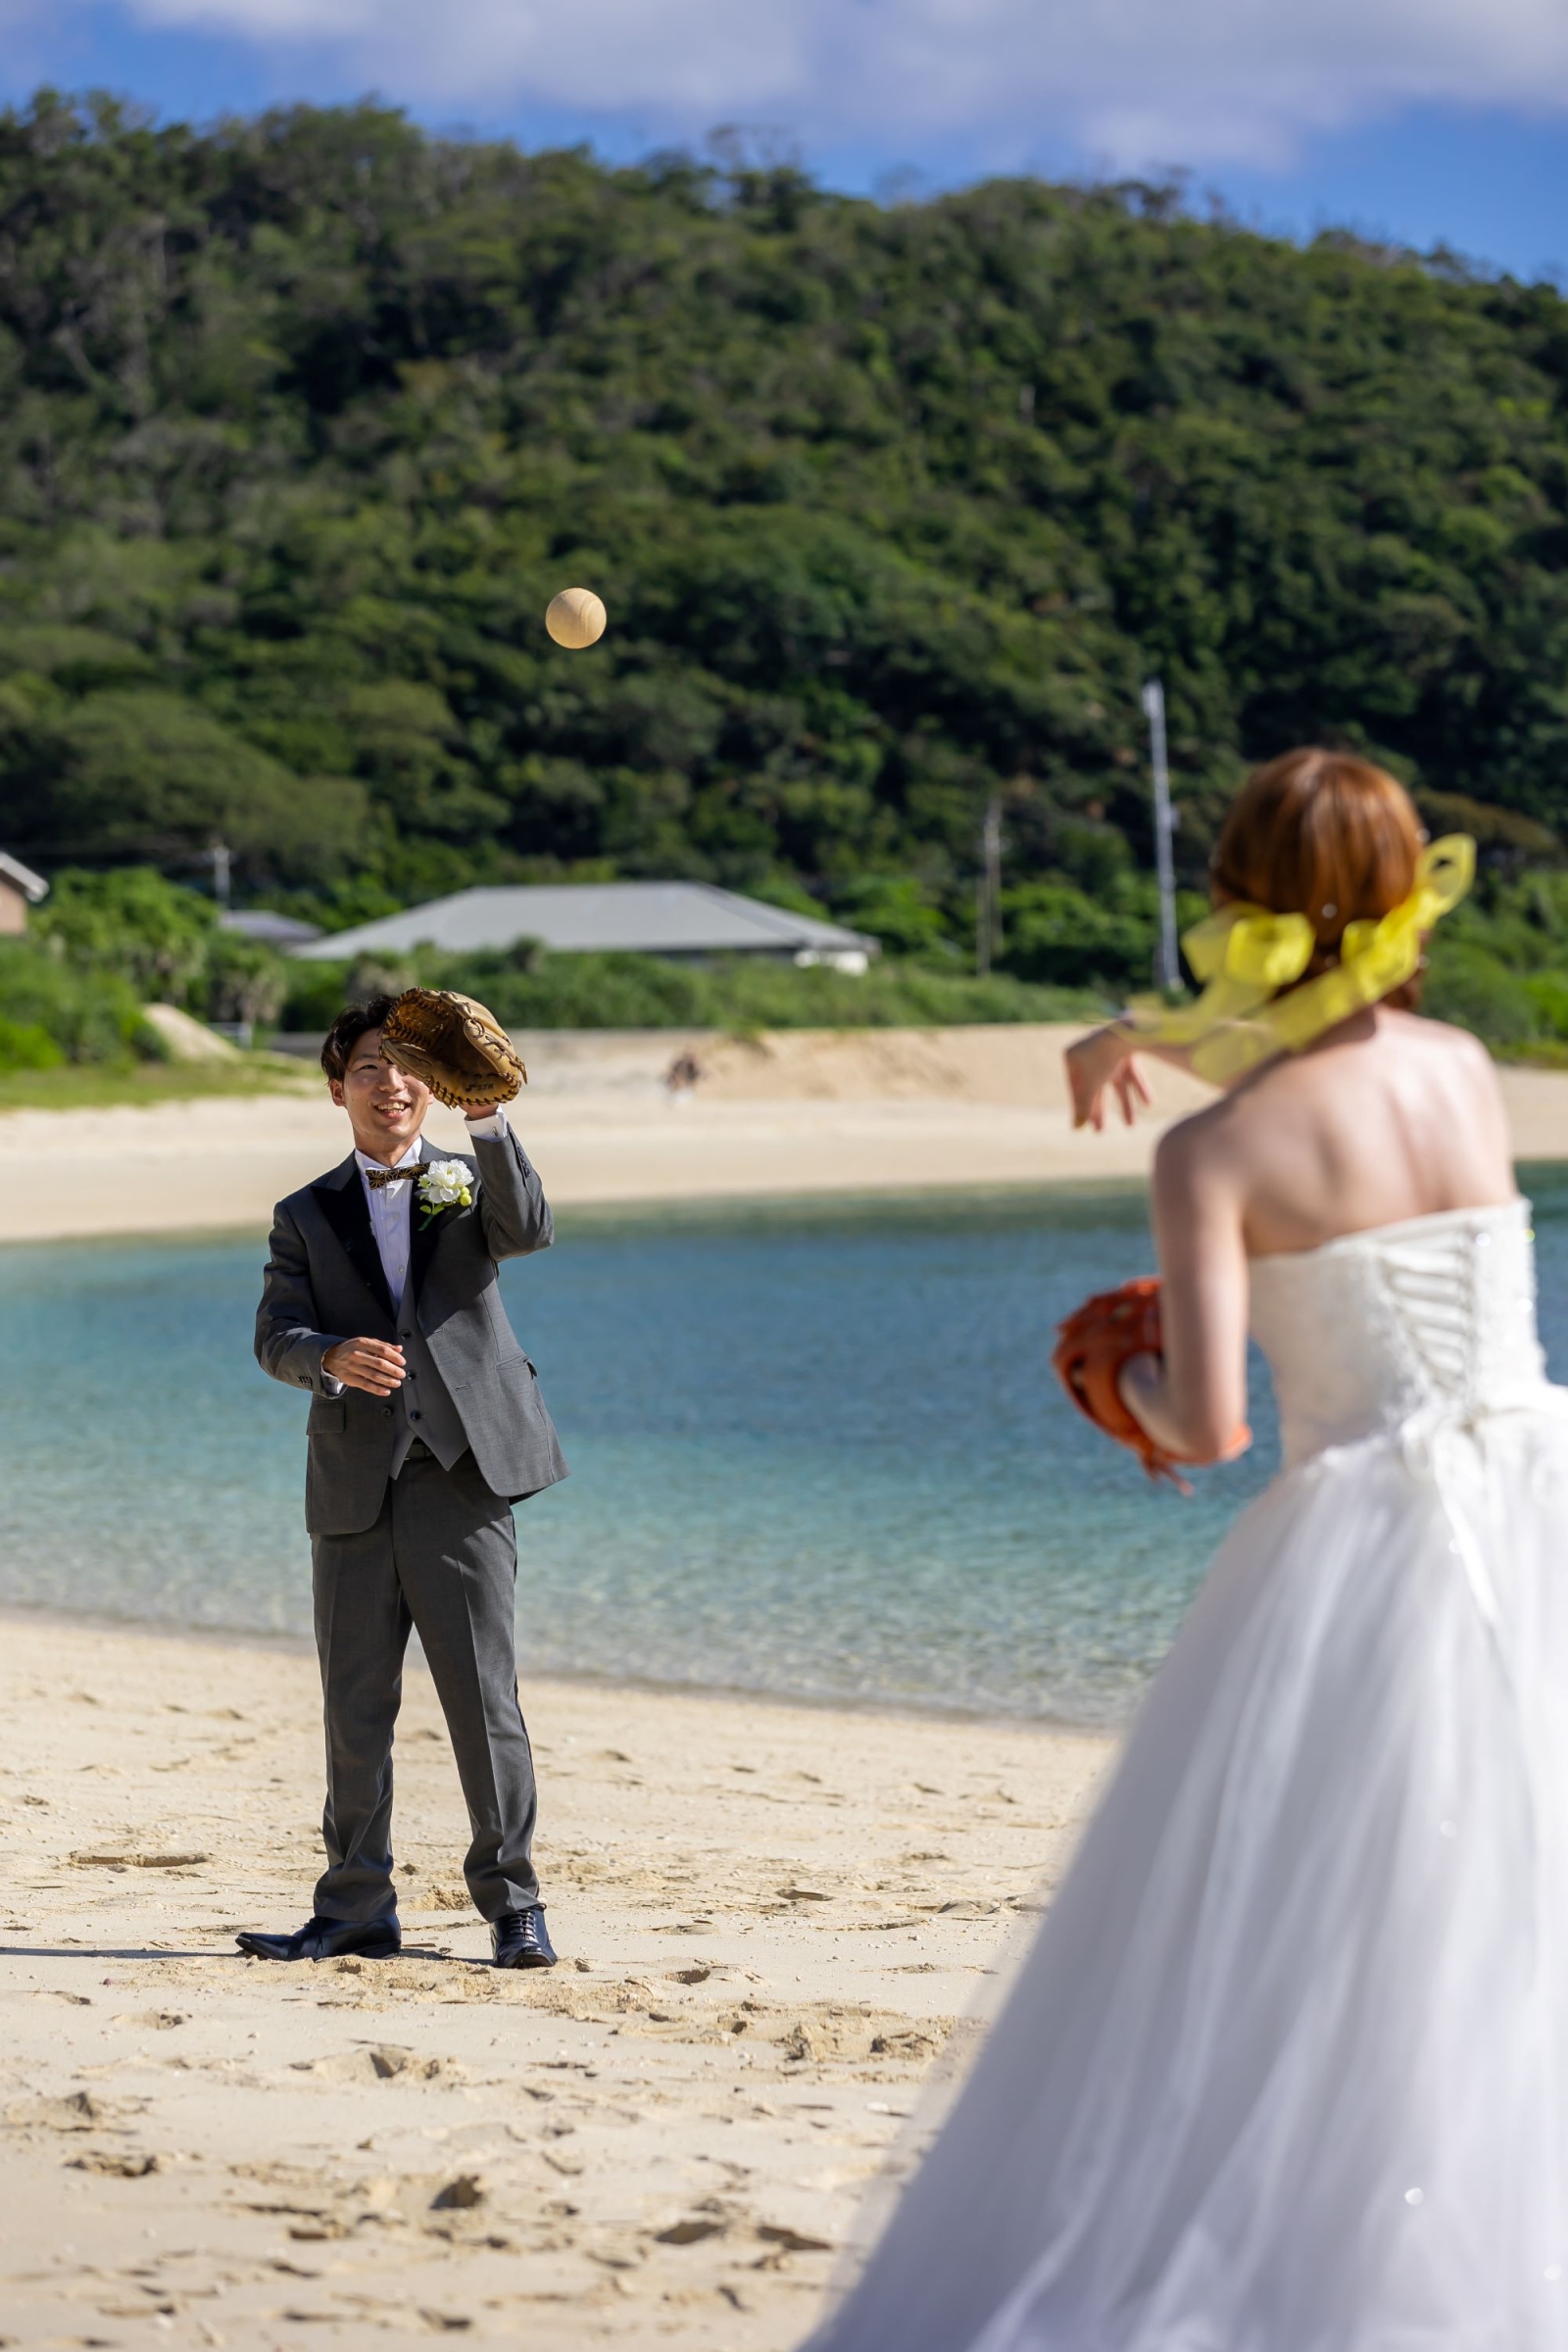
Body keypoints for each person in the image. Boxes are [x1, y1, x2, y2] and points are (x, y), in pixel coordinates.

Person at [803, 749, 1568, 2349]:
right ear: (1402, 892)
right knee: (1507, 1912)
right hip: (1532, 1490)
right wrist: (1136, 1034)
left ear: (1235, 904)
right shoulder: (1465, 1069)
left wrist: (1114, 1379)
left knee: (1338, 1931)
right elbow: (1323, 1034)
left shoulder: (1213, 1157)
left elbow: (1211, 1428)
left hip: (1377, 1539)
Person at [240, 996, 567, 1970]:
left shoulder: (471, 1184)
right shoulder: (303, 1214)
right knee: (354, 1709)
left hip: (461, 1478)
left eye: (407, 1065)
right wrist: (331, 1354)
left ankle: (513, 1907)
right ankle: (353, 1909)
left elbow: (532, 1228)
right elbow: (274, 1338)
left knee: (484, 1704)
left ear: (433, 1081)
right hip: (351, 1488)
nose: (392, 1082)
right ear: (337, 1088)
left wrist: (489, 1117)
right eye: (371, 1067)